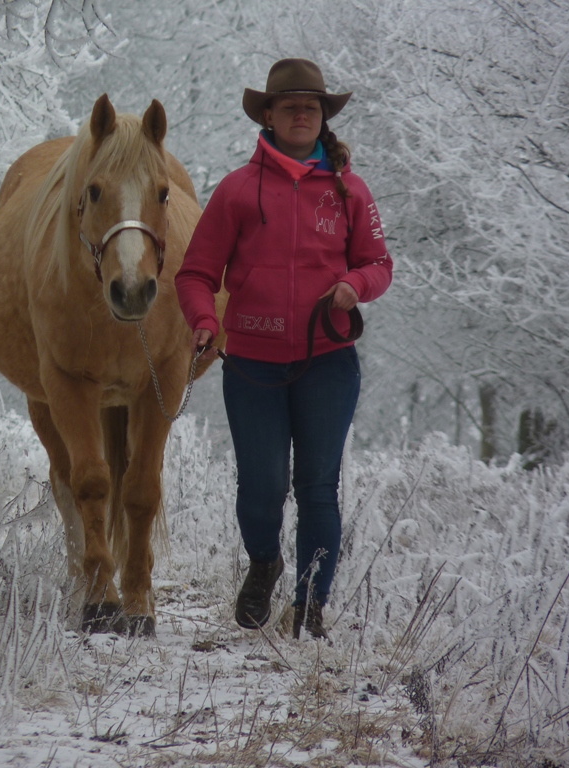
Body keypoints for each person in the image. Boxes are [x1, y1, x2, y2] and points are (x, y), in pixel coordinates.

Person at [175, 58, 393, 639]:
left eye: (313, 105)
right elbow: (195, 273)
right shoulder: (238, 189)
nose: (303, 112)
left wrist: (356, 286)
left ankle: (310, 607)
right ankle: (264, 562)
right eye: (290, 104)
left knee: (318, 485)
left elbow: (378, 263)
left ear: (323, 118)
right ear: (268, 116)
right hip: (251, 363)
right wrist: (202, 319)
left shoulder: (351, 189)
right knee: (263, 486)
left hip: (328, 361)